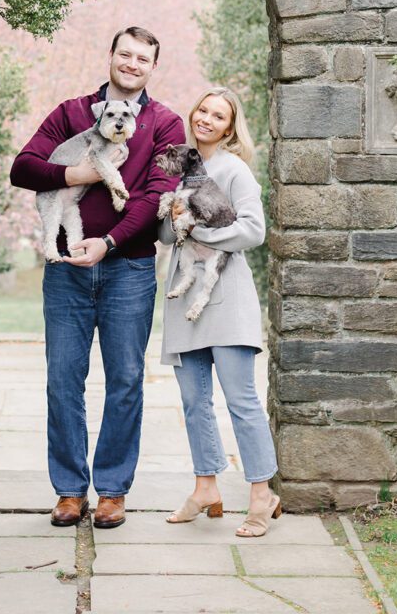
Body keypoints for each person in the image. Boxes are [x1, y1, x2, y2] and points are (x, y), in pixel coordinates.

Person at [10, 26, 185, 530]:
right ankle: (69, 491)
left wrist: (108, 242)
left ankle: (112, 491)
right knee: (63, 379)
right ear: (110, 56)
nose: (132, 64)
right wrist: (77, 175)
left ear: (153, 67)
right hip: (66, 270)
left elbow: (156, 195)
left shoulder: (166, 123)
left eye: (143, 58)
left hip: (130, 268)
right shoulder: (71, 113)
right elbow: (23, 168)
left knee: (126, 380)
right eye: (125, 54)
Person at [159, 86, 280, 538]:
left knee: (241, 402)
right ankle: (206, 487)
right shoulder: (181, 167)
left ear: (229, 128)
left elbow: (254, 230)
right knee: (194, 402)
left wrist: (202, 235)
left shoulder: (235, 171)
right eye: (203, 111)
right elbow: (167, 237)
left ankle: (262, 495)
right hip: (185, 299)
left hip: (227, 298)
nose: (206, 119)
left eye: (218, 115)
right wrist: (172, 217)